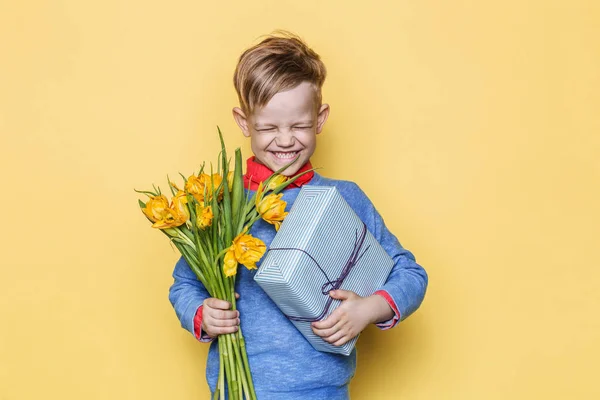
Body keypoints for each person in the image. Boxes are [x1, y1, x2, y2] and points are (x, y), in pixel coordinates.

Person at [169, 32, 428, 400]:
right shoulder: (221, 205)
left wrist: (369, 308)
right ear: (244, 123)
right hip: (237, 391)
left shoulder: (345, 198)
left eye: (299, 125)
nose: (286, 140)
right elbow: (184, 284)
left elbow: (412, 274)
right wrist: (200, 313)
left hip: (322, 391)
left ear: (320, 118)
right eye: (269, 127)